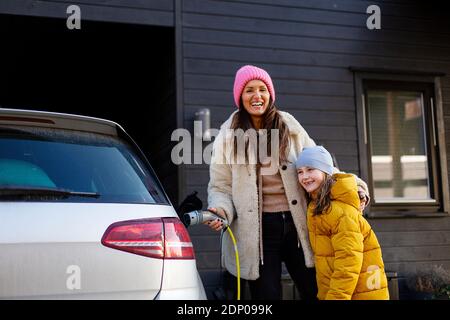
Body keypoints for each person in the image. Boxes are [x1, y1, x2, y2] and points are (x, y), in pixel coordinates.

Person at [205, 65, 369, 300]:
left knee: (315, 290)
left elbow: (320, 163)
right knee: (267, 296)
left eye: (262, 89)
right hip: (258, 233)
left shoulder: (289, 126)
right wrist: (220, 210)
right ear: (240, 96)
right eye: (249, 90)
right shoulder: (227, 137)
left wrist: (354, 186)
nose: (257, 96)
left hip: (299, 223)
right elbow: (221, 186)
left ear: (270, 94)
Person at [296, 145, 389, 300]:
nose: (304, 176)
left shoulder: (340, 211)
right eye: (300, 172)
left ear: (326, 171)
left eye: (311, 169)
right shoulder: (318, 206)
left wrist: (336, 297)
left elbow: (348, 262)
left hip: (357, 293)